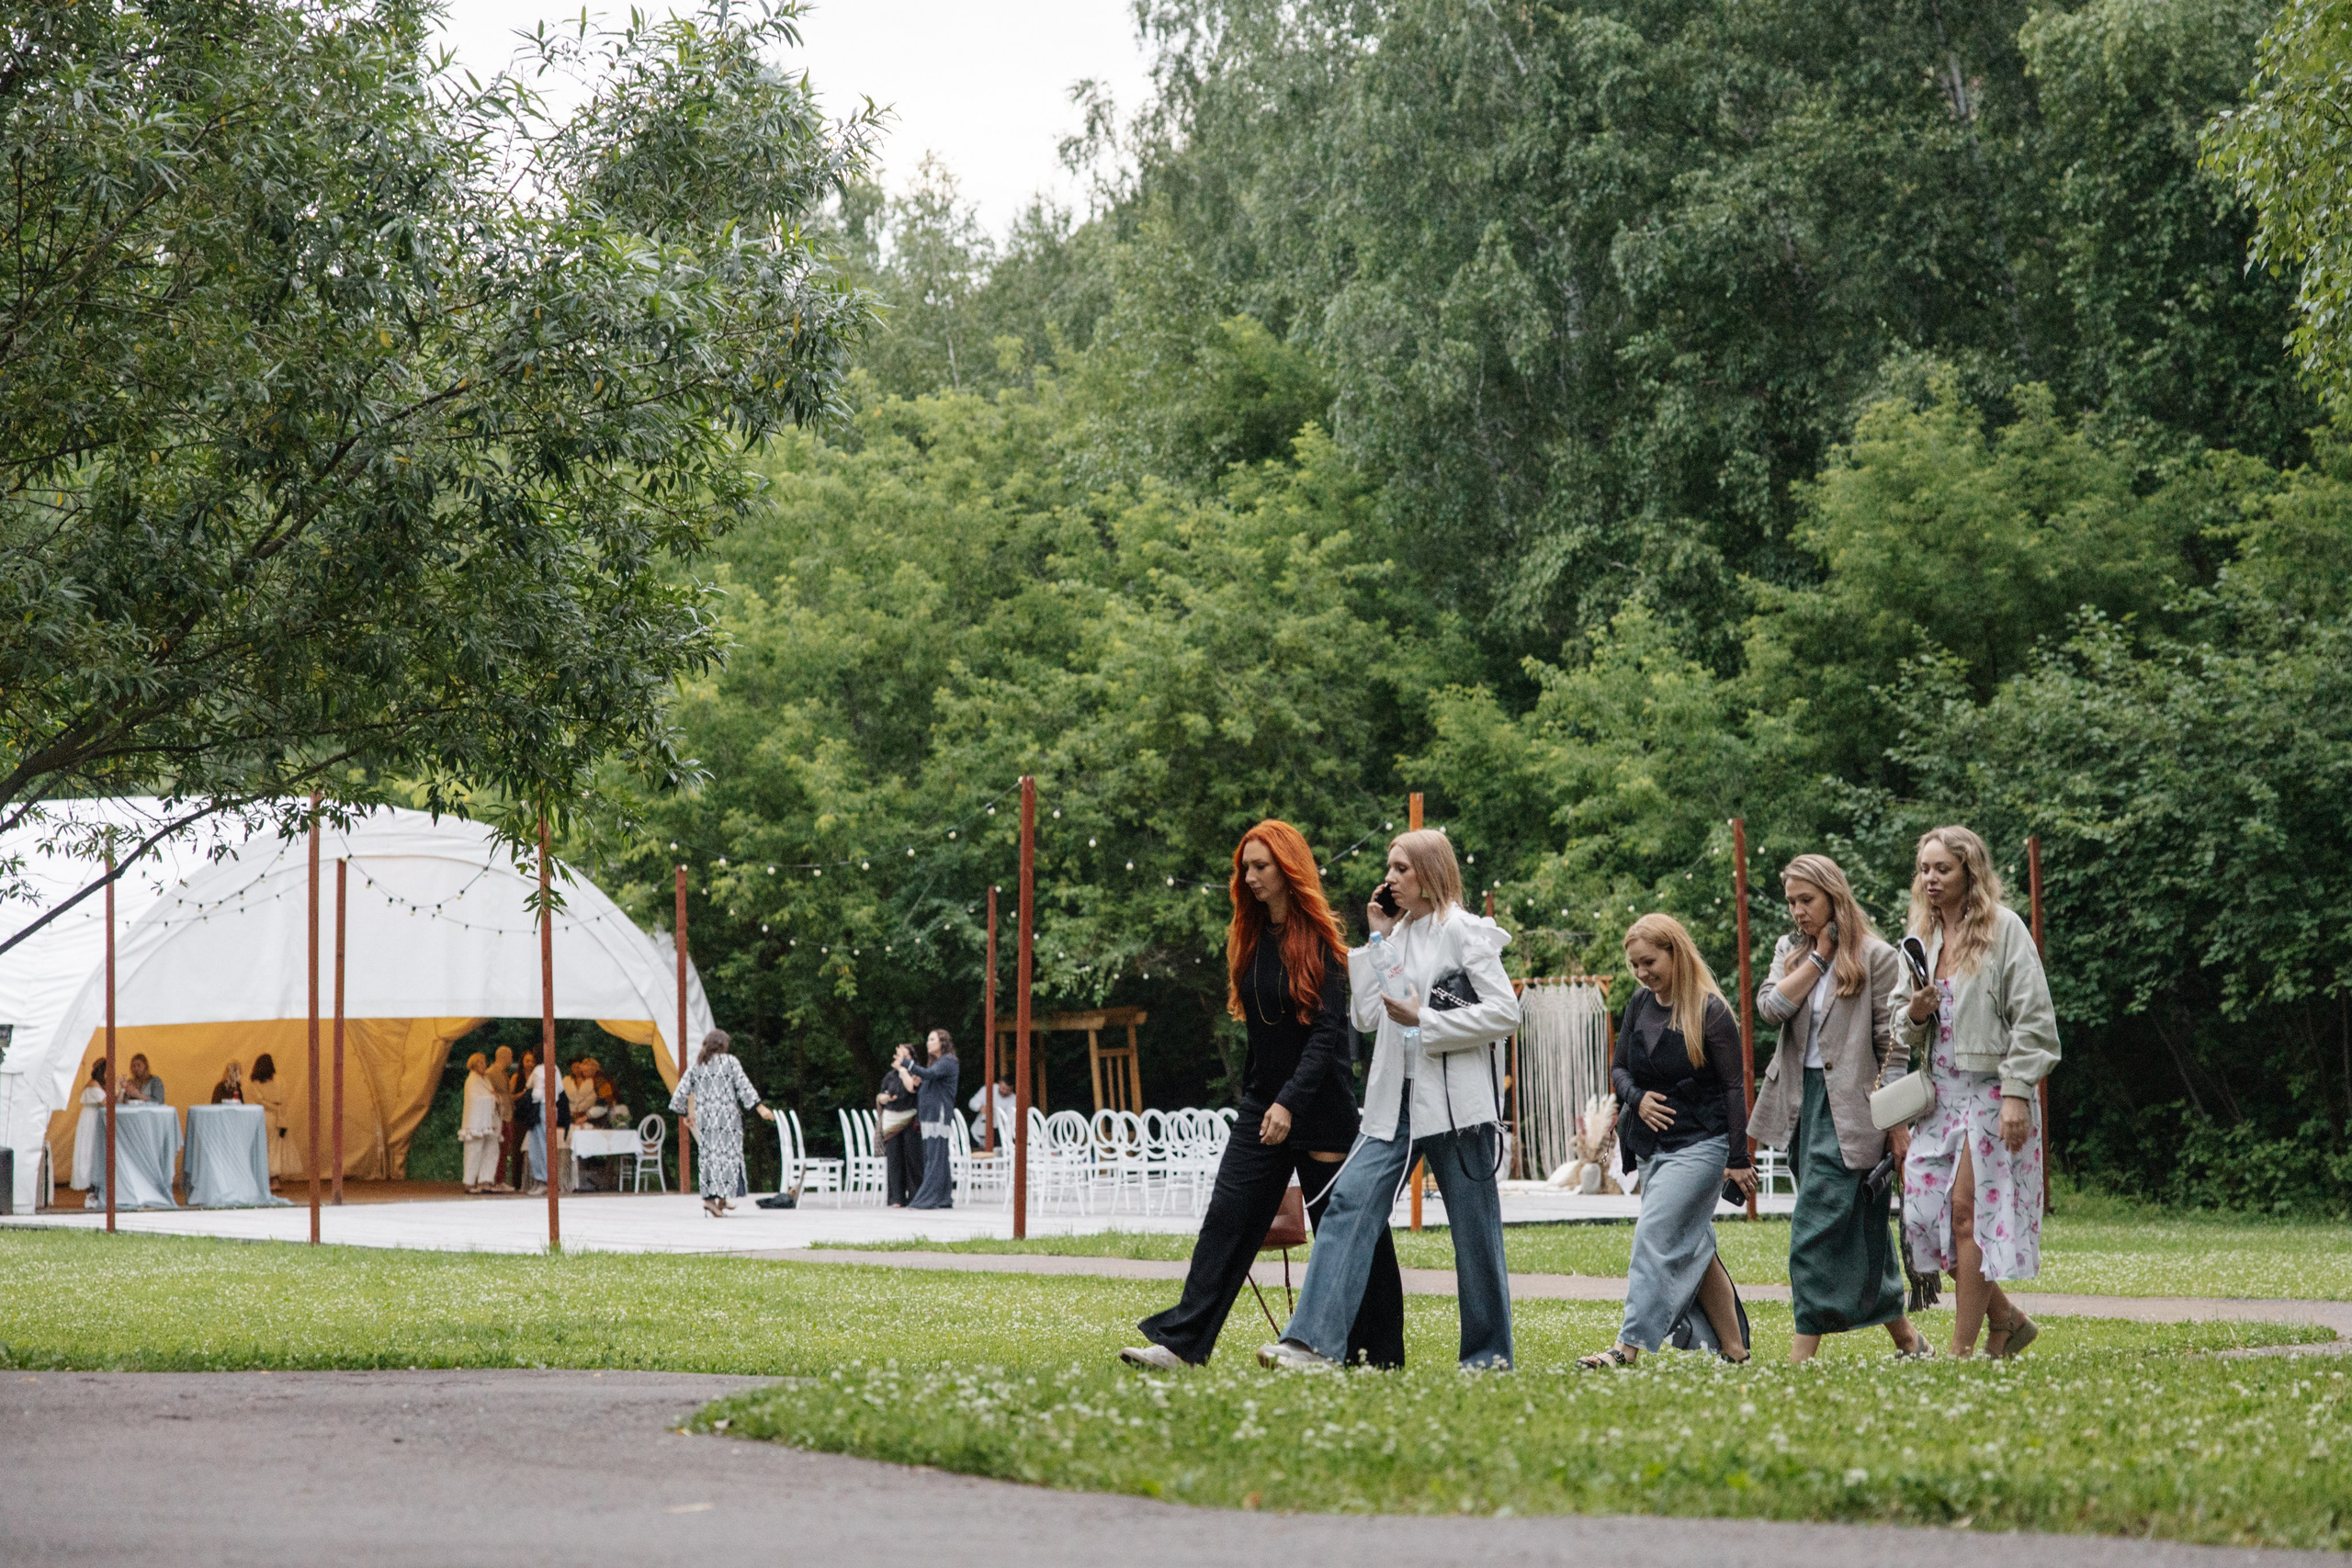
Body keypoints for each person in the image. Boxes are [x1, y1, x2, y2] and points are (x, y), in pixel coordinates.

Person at [1122, 820, 1406, 1371]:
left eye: (1261, 867)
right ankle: (1181, 1345)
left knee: (1348, 1232)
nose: (1249, 877)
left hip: (1319, 1108)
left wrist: (1289, 1102)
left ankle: (1376, 1355)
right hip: (1262, 1105)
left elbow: (1329, 1038)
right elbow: (1260, 1035)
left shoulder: (1322, 942)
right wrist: (1260, 1098)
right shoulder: (1249, 938)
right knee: (1228, 1219)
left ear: (1288, 869)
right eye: (1244, 868)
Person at [1261, 829, 1521, 1372]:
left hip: (1456, 1111)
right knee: (1349, 1207)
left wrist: (1427, 1019)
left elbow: (1504, 1013)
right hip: (1392, 1107)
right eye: (1390, 868)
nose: (1391, 879)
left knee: (1476, 1238)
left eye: (1402, 868)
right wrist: (1376, 939)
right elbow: (1368, 1017)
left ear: (1430, 872)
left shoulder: (1466, 932)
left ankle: (1488, 1359)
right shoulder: (1393, 938)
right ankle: (1312, 1345)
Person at [1748, 855, 1930, 1362]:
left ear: (1833, 896)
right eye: (1791, 902)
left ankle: (1799, 1357)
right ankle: (1910, 1342)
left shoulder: (1875, 956)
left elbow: (1891, 1048)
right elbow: (1769, 1009)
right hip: (1797, 1105)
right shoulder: (1792, 950)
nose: (1798, 911)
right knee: (1860, 1230)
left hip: (1853, 1108)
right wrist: (1819, 958)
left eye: (1806, 900)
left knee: (1814, 1231)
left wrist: (1895, 1127)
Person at [1894, 825, 2060, 1359]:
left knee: (1967, 1215)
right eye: (1925, 869)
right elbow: (1901, 1024)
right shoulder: (1921, 936)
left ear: (1970, 871)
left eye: (1943, 868)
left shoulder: (2005, 930)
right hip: (1938, 1096)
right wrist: (1915, 1014)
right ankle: (2007, 1318)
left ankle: (1961, 1351)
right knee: (1923, 1213)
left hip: (1992, 1092)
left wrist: (2017, 1091)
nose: (1931, 878)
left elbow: (2034, 1020)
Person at [1578, 914, 1757, 1369]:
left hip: (1702, 1145)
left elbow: (1736, 1087)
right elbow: (1620, 1069)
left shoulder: (1710, 1011)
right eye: (1635, 965)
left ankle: (1626, 1348)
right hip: (1654, 1148)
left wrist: (1739, 1159)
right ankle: (1735, 1350)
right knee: (1695, 1245)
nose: (1642, 973)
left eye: (1650, 961)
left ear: (1675, 952)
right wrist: (1637, 1099)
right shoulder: (1639, 1005)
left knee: (1654, 1238)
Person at [669, 1029, 774, 1217]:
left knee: (709, 1158)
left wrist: (685, 1113)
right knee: (728, 1157)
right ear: (723, 1045)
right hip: (728, 1120)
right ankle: (722, 1199)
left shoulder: (697, 1066)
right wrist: (760, 1107)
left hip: (706, 1121)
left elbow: (679, 1095)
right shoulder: (730, 1062)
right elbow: (744, 1086)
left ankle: (713, 1200)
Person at [902, 1029, 961, 1210]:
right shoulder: (938, 1063)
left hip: (938, 1114)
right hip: (930, 1115)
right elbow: (929, 1080)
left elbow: (931, 1075)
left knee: (935, 1157)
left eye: (932, 1039)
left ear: (942, 1042)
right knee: (937, 1157)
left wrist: (906, 1064)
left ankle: (926, 1199)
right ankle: (943, 1198)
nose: (928, 1042)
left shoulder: (948, 1061)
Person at [877, 1044, 923, 1207]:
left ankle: (915, 1195)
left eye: (902, 1056)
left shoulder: (916, 1073)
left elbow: (911, 1088)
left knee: (912, 1158)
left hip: (910, 1118)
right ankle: (896, 1197)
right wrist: (885, 1098)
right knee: (894, 1159)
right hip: (892, 1119)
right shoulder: (890, 1076)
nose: (897, 1059)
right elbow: (881, 1095)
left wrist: (904, 1069)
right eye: (897, 1056)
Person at [249, 1054, 295, 1183]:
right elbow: (284, 1100)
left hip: (261, 1116)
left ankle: (263, 1178)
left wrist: (267, 1104)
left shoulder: (254, 1082)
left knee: (262, 1147)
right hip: (275, 1117)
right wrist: (278, 1110)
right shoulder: (279, 1080)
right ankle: (274, 1179)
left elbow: (258, 1100)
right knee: (275, 1147)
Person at [459, 1053, 502, 1192]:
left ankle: (486, 1179)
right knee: (474, 1150)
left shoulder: (485, 1079)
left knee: (491, 1148)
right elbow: (475, 1099)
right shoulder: (472, 1080)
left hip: (489, 1122)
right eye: (481, 1063)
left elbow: (490, 1094)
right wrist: (491, 1098)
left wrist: (494, 1098)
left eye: (484, 1062)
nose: (485, 1065)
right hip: (476, 1123)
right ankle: (469, 1182)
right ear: (474, 1064)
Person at [73, 1061, 112, 1190]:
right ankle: (89, 1183)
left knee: (94, 1149)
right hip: (90, 1119)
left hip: (95, 1118)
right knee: (89, 1149)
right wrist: (115, 1087)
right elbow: (105, 1103)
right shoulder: (93, 1084)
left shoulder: (100, 1085)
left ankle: (95, 1184)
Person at [507, 1050, 539, 1190]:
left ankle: (533, 1181)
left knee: (534, 1149)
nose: (529, 1064)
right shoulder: (516, 1077)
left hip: (533, 1116)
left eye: (532, 1061)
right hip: (520, 1117)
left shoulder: (538, 1077)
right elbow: (510, 1096)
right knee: (518, 1149)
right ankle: (516, 1182)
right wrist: (523, 1095)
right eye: (527, 1061)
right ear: (522, 1062)